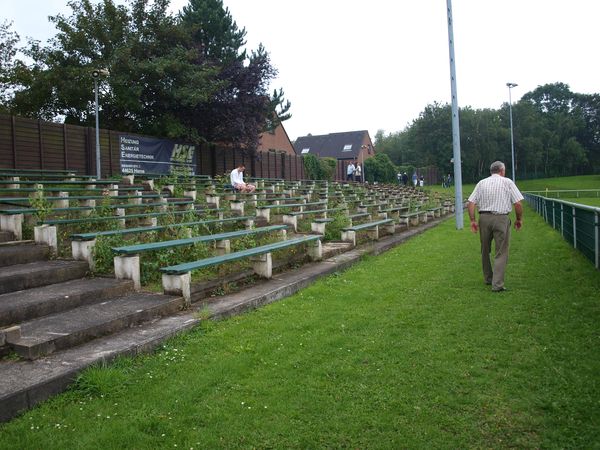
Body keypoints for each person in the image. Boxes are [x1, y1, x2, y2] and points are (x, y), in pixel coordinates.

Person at [467, 161, 524, 292]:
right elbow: (518, 204)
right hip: (501, 218)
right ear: (502, 171)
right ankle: (497, 284)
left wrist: (472, 220)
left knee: (485, 249)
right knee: (501, 251)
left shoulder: (481, 183)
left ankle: (488, 278)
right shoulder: (507, 182)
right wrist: (519, 219)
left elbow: (471, 203)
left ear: (491, 171)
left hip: (484, 218)